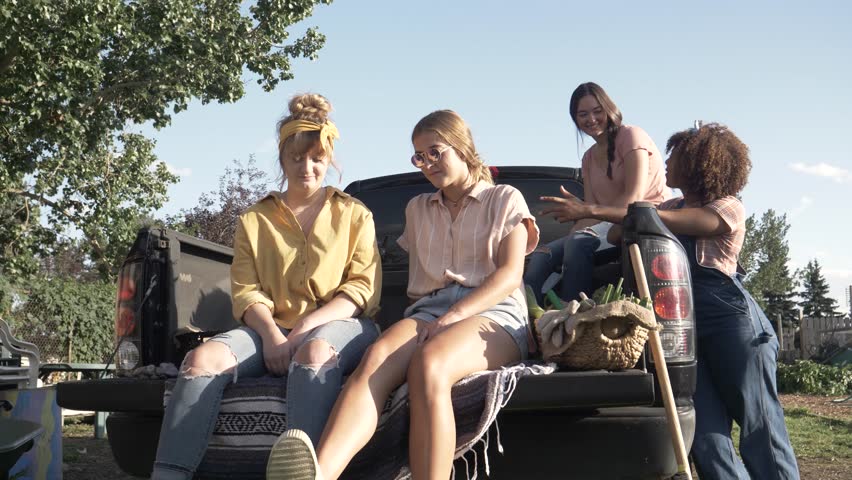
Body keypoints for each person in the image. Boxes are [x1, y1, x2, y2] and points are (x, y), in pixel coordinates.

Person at [265, 109, 540, 480]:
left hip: (494, 313)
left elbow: (509, 277)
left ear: (461, 146)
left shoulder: (504, 198)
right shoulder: (417, 209)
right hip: (428, 311)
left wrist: (453, 318)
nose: (426, 164)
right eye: (419, 156)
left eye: (435, 152)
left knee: (429, 365)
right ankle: (320, 474)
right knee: (376, 358)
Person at [539, 122, 799, 479]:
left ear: (697, 164)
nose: (666, 163)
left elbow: (686, 221)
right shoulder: (671, 204)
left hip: (731, 323)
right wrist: (631, 215)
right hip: (681, 327)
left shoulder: (727, 208)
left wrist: (598, 210)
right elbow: (618, 234)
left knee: (760, 426)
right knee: (705, 435)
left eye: (675, 156)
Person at [150, 93, 382, 480]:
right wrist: (274, 336)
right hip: (268, 328)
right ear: (282, 158)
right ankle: (169, 473)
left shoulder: (355, 214)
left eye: (317, 159)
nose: (306, 167)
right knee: (200, 361)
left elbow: (360, 289)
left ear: (329, 160)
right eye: (297, 158)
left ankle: (306, 473)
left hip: (341, 325)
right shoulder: (255, 219)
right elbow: (246, 290)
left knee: (313, 352)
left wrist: (304, 330)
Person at [523, 81, 670, 305]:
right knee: (543, 255)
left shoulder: (632, 136)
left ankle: (574, 316)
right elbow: (590, 214)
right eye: (583, 114)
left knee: (578, 243)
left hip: (642, 222)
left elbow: (634, 200)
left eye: (597, 111)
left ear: (609, 109)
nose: (591, 119)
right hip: (606, 225)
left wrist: (583, 213)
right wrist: (572, 228)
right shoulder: (588, 158)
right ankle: (531, 326)